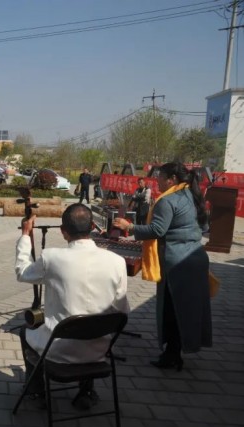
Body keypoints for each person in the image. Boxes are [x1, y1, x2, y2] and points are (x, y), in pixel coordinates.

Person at [16, 203, 130, 409]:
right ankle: (86, 391)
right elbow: (122, 311)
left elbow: (23, 272)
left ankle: (36, 390)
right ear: (93, 226)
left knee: (26, 331)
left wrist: (25, 236)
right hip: (99, 350)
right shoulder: (117, 261)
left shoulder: (52, 258)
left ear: (63, 231)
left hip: (58, 351)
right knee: (91, 326)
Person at [113, 162, 211, 371]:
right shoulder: (194, 196)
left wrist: (129, 226)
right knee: (189, 308)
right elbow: (204, 227)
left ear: (172, 179)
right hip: (196, 257)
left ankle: (172, 355)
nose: (156, 181)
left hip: (177, 262)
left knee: (172, 309)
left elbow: (157, 230)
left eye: (160, 176)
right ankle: (178, 350)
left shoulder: (167, 200)